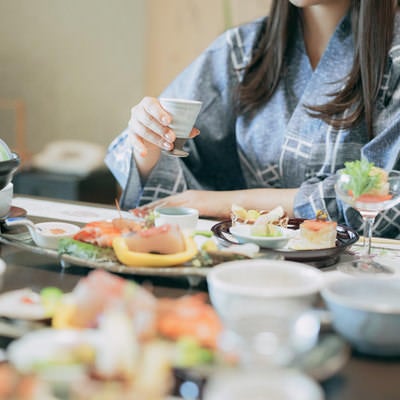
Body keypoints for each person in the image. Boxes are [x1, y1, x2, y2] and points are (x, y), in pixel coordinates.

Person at [106, 0, 400, 238]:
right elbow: (164, 166)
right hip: (243, 268)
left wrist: (229, 203)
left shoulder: (394, 57)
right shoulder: (240, 50)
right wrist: (149, 146)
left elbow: (387, 193)